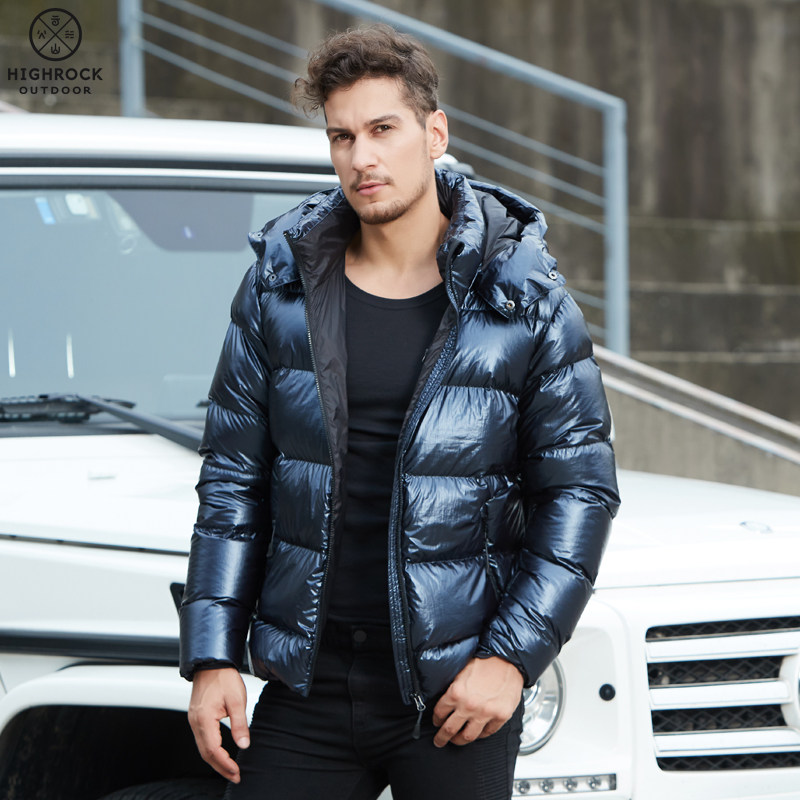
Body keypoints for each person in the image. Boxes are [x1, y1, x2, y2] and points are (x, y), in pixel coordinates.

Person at [179, 24, 620, 800]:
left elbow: (578, 493)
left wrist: (510, 658)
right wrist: (212, 655)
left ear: (434, 134)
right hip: (309, 679)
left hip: (454, 687)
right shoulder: (280, 289)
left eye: (383, 129)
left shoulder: (523, 300)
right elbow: (233, 481)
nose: (362, 158)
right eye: (342, 136)